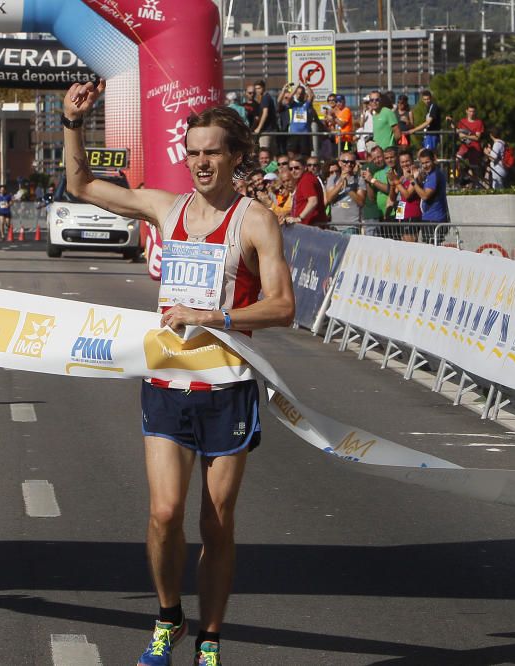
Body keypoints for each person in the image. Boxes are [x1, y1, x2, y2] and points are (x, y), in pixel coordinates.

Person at [61, 80, 294, 666]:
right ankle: (170, 617)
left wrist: (214, 314)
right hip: (167, 382)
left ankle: (210, 639)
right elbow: (81, 185)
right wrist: (72, 124)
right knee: (164, 514)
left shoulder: (255, 221)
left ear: (236, 156)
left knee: (216, 524)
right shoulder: (168, 208)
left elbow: (283, 307)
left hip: (228, 388)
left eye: (212, 152)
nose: (200, 163)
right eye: (192, 153)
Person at [413, 148, 450, 243]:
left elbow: (425, 196)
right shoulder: (430, 174)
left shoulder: (434, 175)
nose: (425, 166)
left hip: (434, 219)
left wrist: (412, 182)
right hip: (430, 218)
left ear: (434, 160)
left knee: (431, 250)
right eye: (423, 163)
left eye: (427, 162)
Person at [325, 151, 365, 235]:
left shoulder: (359, 179)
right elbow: (329, 199)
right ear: (340, 163)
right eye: (346, 162)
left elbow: (361, 202)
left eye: (352, 162)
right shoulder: (332, 179)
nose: (349, 164)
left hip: (351, 226)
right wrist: (341, 184)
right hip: (334, 226)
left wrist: (348, 189)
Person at [392, 150, 423, 242]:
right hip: (403, 215)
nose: (405, 164)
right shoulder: (402, 177)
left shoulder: (416, 174)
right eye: (402, 162)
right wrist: (399, 216)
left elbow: (407, 195)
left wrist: (396, 182)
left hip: (412, 215)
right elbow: (397, 197)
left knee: (410, 246)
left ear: (412, 161)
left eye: (407, 161)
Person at [286, 157, 327, 227]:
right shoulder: (304, 179)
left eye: (296, 168)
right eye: (291, 169)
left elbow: (313, 201)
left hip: (311, 226)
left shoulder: (307, 180)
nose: (293, 171)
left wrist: (300, 218)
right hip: (307, 226)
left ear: (305, 168)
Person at [281, 83, 315, 158]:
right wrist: (296, 87)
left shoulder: (306, 104)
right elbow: (288, 98)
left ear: (304, 94)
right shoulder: (293, 104)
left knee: (305, 155)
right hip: (294, 133)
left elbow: (311, 96)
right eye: (298, 93)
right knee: (291, 153)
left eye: (301, 93)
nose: (299, 95)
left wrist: (306, 85)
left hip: (305, 134)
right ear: (296, 94)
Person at [360, 145, 388, 236]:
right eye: (374, 158)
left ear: (384, 155)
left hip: (391, 215)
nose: (377, 160)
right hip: (377, 215)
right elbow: (371, 197)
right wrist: (368, 181)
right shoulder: (373, 171)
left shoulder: (391, 168)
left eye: (379, 157)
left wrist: (372, 180)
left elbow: (389, 189)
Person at [253, 80, 278, 151]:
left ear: (263, 88)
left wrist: (259, 128)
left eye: (259, 88)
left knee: (264, 152)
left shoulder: (265, 98)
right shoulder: (268, 97)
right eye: (256, 89)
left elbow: (265, 113)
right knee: (272, 153)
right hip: (271, 129)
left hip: (266, 130)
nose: (257, 90)